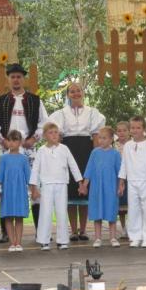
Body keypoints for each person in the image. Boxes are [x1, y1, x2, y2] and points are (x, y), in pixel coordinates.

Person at [0, 63, 48, 244]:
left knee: (35, 185)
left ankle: (40, 231)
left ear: (23, 79)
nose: (16, 79)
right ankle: (5, 233)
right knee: (6, 187)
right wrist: (3, 141)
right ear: (8, 79)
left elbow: (44, 123)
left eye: (19, 76)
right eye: (12, 76)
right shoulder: (1, 101)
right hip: (7, 150)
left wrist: (34, 139)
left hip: (29, 149)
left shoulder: (35, 100)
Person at [49, 83, 105, 242]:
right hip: (68, 150)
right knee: (71, 191)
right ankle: (73, 230)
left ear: (83, 93)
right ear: (67, 95)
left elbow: (95, 136)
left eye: (78, 90)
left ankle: (83, 230)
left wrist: (96, 158)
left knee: (85, 189)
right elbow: (57, 137)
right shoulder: (60, 114)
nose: (75, 94)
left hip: (86, 151)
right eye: (72, 91)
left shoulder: (93, 113)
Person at [30, 123, 83, 251]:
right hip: (47, 185)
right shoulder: (41, 151)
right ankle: (44, 240)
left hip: (61, 184)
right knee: (45, 212)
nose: (54, 135)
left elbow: (73, 165)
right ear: (44, 136)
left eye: (56, 132)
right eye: (51, 132)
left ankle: (62, 240)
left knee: (61, 212)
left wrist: (80, 182)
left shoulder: (64, 149)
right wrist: (34, 188)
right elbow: (35, 169)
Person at [118, 116, 146, 248]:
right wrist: (122, 180)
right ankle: (135, 236)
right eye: (132, 128)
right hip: (132, 181)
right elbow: (124, 164)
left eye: (138, 127)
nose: (135, 130)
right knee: (133, 209)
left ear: (144, 129)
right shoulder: (128, 145)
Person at [80, 126, 121, 248]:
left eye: (104, 138)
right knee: (97, 212)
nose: (101, 141)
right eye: (99, 138)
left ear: (111, 139)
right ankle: (98, 238)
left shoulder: (115, 154)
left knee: (111, 212)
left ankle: (113, 238)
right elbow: (89, 170)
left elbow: (120, 172)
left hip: (111, 188)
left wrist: (120, 186)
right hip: (97, 189)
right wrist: (84, 185)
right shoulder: (94, 153)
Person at [0, 130, 31, 253]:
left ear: (20, 142)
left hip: (20, 192)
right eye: (9, 140)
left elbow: (29, 177)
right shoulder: (4, 158)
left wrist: (34, 190)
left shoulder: (24, 159)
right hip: (7, 192)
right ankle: (12, 243)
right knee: (9, 217)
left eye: (15, 140)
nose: (11, 143)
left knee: (19, 217)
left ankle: (18, 243)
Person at [115, 121, 130, 239]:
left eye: (124, 130)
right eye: (119, 131)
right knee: (121, 207)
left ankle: (132, 227)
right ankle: (124, 228)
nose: (122, 133)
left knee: (132, 205)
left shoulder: (133, 144)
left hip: (131, 177)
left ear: (129, 131)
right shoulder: (113, 146)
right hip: (119, 178)